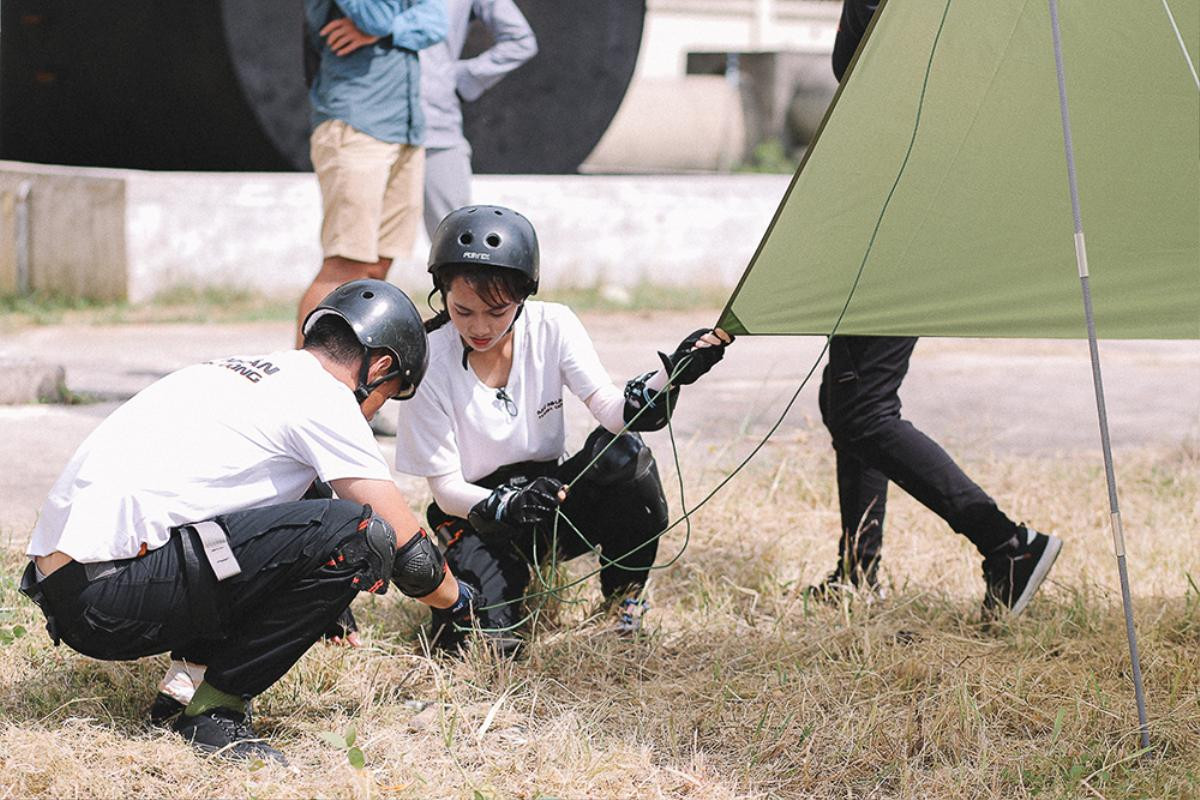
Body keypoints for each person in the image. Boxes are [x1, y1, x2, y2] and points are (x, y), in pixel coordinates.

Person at [20, 280, 475, 763]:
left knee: (309, 504)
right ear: (380, 367)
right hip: (110, 598)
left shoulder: (242, 371)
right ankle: (215, 714)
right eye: (386, 397)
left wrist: (321, 594)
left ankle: (183, 689)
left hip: (73, 585)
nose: (373, 412)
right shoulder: (325, 398)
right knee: (362, 535)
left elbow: (269, 510)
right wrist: (459, 602)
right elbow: (409, 553)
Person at [811, 0, 1062, 618]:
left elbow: (872, 68)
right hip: (892, 205)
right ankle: (858, 568)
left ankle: (1008, 544)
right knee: (848, 399)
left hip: (905, 214)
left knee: (862, 408)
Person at [393, 205, 733, 654]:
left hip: (549, 497)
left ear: (523, 296)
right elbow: (447, 492)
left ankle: (622, 604)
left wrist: (673, 374)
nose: (480, 328)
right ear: (442, 292)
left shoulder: (553, 325)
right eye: (463, 310)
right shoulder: (428, 360)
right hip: (478, 514)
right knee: (486, 646)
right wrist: (507, 503)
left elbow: (615, 412)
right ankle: (486, 594)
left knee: (625, 458)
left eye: (497, 312)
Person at [295, 0, 448, 345]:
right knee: (345, 264)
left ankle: (352, 374)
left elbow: (438, 22)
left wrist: (392, 29)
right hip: (356, 124)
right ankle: (300, 382)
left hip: (404, 127)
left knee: (378, 268)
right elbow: (373, 16)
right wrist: (395, 23)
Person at [420, 0, 538, 238]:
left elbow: (521, 41)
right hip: (372, 124)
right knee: (360, 251)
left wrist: (456, 78)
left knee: (457, 239)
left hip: (437, 126)